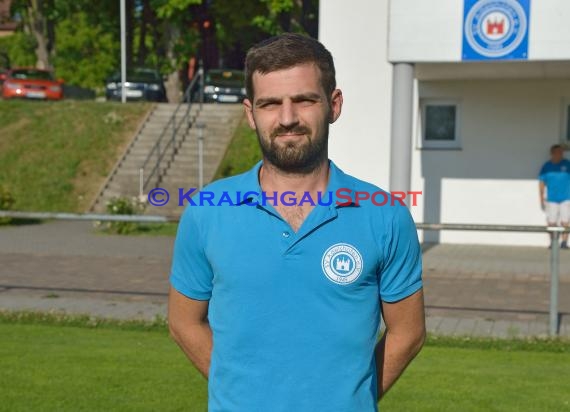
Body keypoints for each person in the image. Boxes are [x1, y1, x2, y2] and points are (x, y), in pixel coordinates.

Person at [168, 33, 425, 412]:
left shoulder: (385, 215)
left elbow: (409, 332)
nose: (287, 119)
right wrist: (242, 392)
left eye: (304, 100)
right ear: (251, 114)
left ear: (333, 105)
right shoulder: (207, 211)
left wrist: (351, 398)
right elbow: (183, 323)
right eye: (270, 104)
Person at [539, 144, 570, 248]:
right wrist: (541, 197)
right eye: (558, 152)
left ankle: (564, 243)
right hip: (552, 199)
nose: (561, 154)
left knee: (565, 221)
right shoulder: (546, 166)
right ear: (552, 153)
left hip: (566, 198)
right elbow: (542, 182)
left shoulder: (567, 164)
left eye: (562, 152)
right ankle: (553, 242)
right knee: (551, 222)